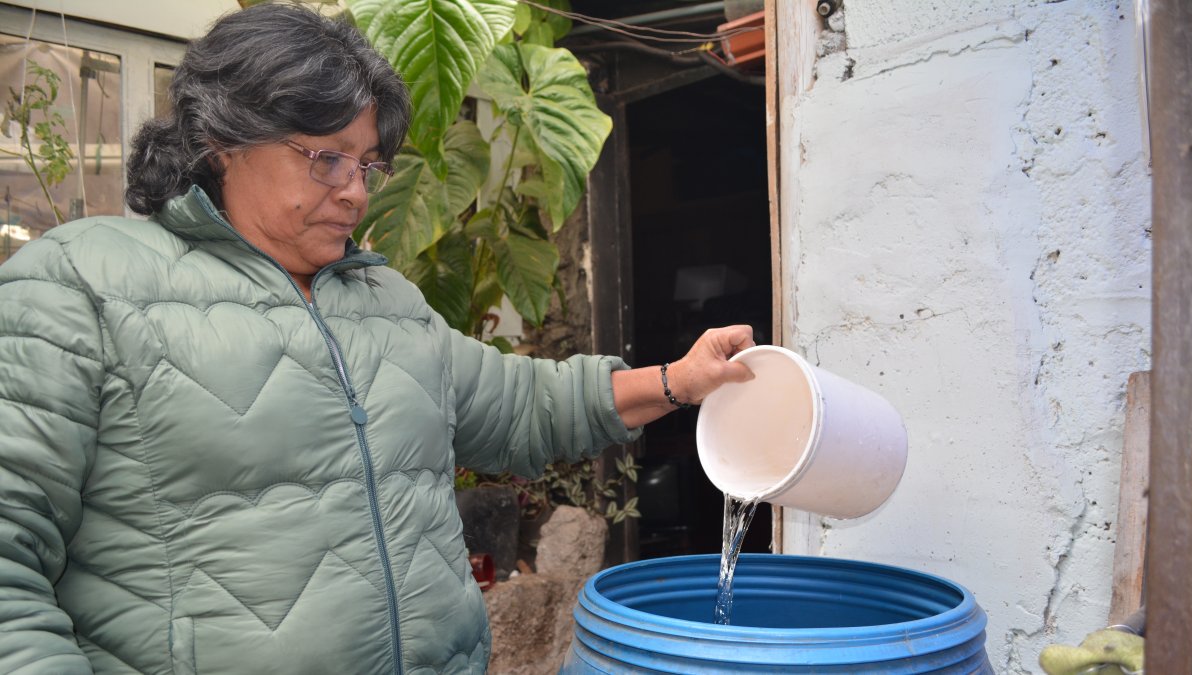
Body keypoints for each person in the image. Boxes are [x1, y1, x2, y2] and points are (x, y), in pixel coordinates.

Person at [0, 4, 754, 674]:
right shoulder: (79, 285)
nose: (357, 190)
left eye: (366, 163)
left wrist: (679, 380)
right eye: (325, 156)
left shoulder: (384, 299)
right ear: (222, 137)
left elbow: (522, 405)